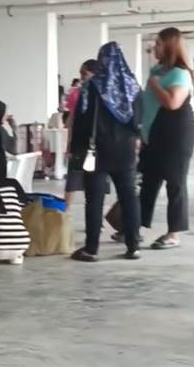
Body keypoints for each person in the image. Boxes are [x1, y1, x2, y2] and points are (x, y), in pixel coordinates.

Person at [70, 42, 142, 262]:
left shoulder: (91, 87)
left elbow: (81, 121)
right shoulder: (132, 87)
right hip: (125, 151)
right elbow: (139, 121)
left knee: (94, 200)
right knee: (129, 197)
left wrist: (76, 149)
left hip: (97, 151)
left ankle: (91, 249)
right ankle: (133, 246)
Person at [138, 27, 194, 249]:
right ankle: (134, 227)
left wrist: (154, 85)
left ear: (170, 46)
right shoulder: (158, 70)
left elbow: (172, 103)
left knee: (175, 182)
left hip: (176, 133)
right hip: (155, 132)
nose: (155, 48)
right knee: (149, 180)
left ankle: (174, 234)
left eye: (158, 44)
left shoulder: (181, 74)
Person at [63, 59, 103, 214]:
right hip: (81, 143)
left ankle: (95, 217)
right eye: (80, 74)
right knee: (73, 179)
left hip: (97, 144)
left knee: (94, 184)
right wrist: (69, 143)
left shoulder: (103, 94)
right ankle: (65, 212)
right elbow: (72, 119)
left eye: (84, 74)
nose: (81, 78)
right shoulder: (78, 93)